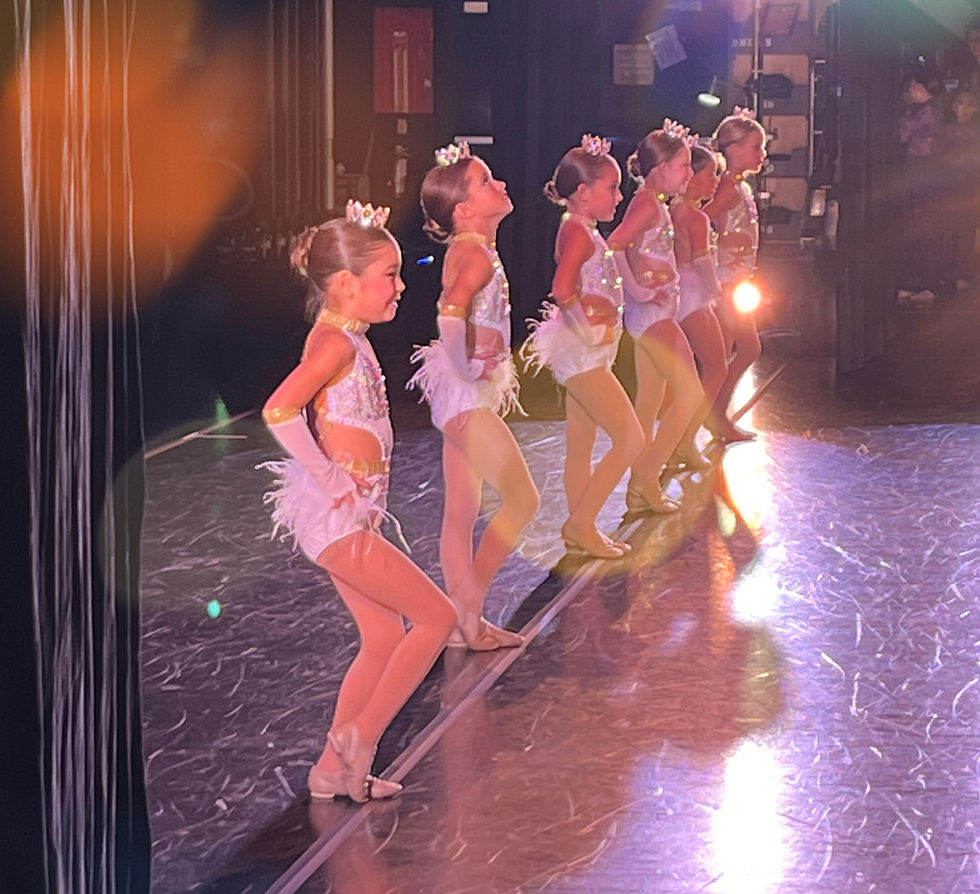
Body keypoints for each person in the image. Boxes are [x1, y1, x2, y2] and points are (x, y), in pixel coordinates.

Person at [261, 201, 456, 802]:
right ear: (346, 284)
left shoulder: (347, 336)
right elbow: (278, 409)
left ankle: (330, 773)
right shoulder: (337, 346)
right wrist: (326, 476)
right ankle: (358, 737)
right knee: (437, 619)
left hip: (352, 515)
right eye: (390, 276)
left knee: (382, 635)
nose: (401, 286)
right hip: (340, 521)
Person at [409, 141, 538, 651]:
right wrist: (464, 369)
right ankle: (468, 607)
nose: (500, 184)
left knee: (462, 509)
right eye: (486, 181)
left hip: (463, 396)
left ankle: (466, 624)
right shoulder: (474, 255)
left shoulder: (474, 249)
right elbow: (449, 314)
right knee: (523, 499)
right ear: (464, 210)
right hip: (464, 399)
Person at [521, 134, 645, 559]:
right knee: (631, 439)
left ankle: (581, 530)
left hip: (590, 351)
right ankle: (581, 522)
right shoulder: (576, 233)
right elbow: (562, 288)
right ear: (583, 193)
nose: (619, 195)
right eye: (611, 188)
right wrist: (587, 327)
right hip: (584, 354)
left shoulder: (583, 229)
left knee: (581, 441)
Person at [607, 121, 704, 508]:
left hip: (653, 313)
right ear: (661, 168)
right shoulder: (647, 203)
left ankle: (639, 485)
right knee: (690, 392)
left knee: (651, 398)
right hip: (653, 315)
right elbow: (615, 245)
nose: (689, 173)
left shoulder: (652, 203)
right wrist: (639, 290)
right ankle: (647, 477)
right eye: (683, 165)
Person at [702, 107, 768, 442]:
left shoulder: (739, 186)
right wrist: (723, 239)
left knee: (728, 352)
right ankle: (711, 415)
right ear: (734, 150)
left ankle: (714, 416)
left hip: (738, 279)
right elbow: (699, 221)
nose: (762, 154)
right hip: (726, 281)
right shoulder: (727, 188)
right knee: (747, 348)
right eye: (756, 147)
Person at [668, 144, 729, 467]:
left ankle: (679, 438)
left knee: (685, 374)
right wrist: (717, 290)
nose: (716, 181)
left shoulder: (674, 211)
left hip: (677, 295)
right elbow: (702, 261)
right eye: (711, 174)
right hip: (693, 296)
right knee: (717, 367)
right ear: (691, 178)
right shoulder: (695, 217)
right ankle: (686, 438)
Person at [898, 72, 949, 300]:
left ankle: (930, 283)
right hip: (921, 171)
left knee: (927, 228)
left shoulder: (930, 112)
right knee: (916, 227)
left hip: (927, 171)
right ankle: (918, 281)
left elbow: (904, 134)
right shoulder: (930, 110)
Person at [941, 89, 980, 288]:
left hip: (969, 188)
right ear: (955, 107)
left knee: (966, 231)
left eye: (970, 105)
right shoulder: (945, 130)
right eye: (962, 104)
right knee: (948, 231)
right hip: (948, 189)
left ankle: (962, 272)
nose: (966, 109)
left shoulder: (976, 132)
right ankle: (947, 272)